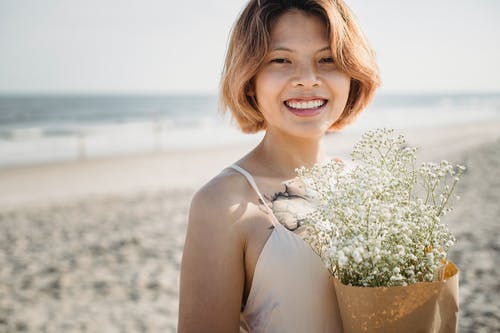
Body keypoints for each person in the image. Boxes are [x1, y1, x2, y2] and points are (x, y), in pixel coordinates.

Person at [178, 0, 379, 331]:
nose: (307, 79)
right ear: (250, 77)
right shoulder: (222, 205)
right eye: (281, 60)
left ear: (351, 72)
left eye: (327, 59)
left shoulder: (368, 185)